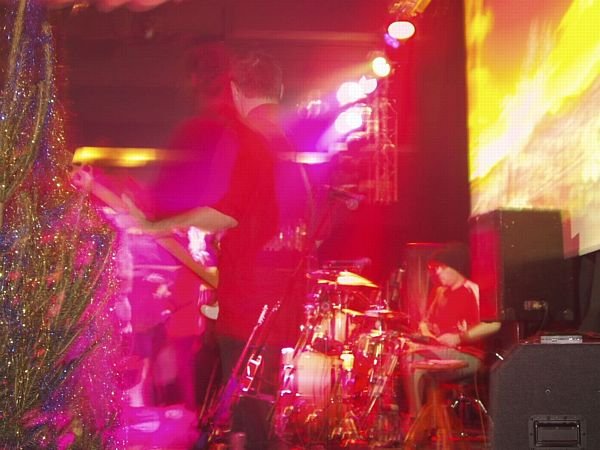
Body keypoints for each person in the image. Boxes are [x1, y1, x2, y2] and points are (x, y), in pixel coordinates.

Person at [124, 46, 281, 450]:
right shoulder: (280, 142)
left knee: (242, 423)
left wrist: (156, 224)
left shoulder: (244, 139)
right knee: (250, 420)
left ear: (235, 90)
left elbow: (228, 214)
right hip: (267, 306)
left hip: (244, 309)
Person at [403, 242, 501, 420]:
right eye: (435, 268)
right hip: (442, 353)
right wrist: (425, 331)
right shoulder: (439, 292)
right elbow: (426, 322)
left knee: (414, 359)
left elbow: (495, 324)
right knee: (410, 354)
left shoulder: (474, 289)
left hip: (469, 355)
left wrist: (460, 337)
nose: (437, 272)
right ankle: (431, 423)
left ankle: (416, 423)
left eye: (441, 267)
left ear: (455, 267)